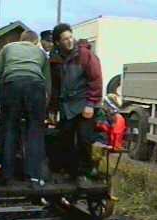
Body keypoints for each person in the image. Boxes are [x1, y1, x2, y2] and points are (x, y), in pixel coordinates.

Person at [0, 30, 51, 187]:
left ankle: (6, 175)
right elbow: (47, 82)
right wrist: (43, 105)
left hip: (11, 85)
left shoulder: (7, 48)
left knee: (9, 129)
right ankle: (34, 178)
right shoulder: (40, 53)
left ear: (21, 39)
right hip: (35, 87)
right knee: (35, 132)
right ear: (35, 41)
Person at [49, 23, 103, 188]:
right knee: (65, 137)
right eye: (65, 39)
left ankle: (84, 174)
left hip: (84, 102)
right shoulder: (55, 58)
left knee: (84, 138)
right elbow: (55, 86)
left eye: (70, 37)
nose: (69, 41)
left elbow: (96, 80)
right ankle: (71, 171)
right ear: (58, 42)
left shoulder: (85, 55)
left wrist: (90, 104)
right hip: (67, 105)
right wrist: (53, 108)